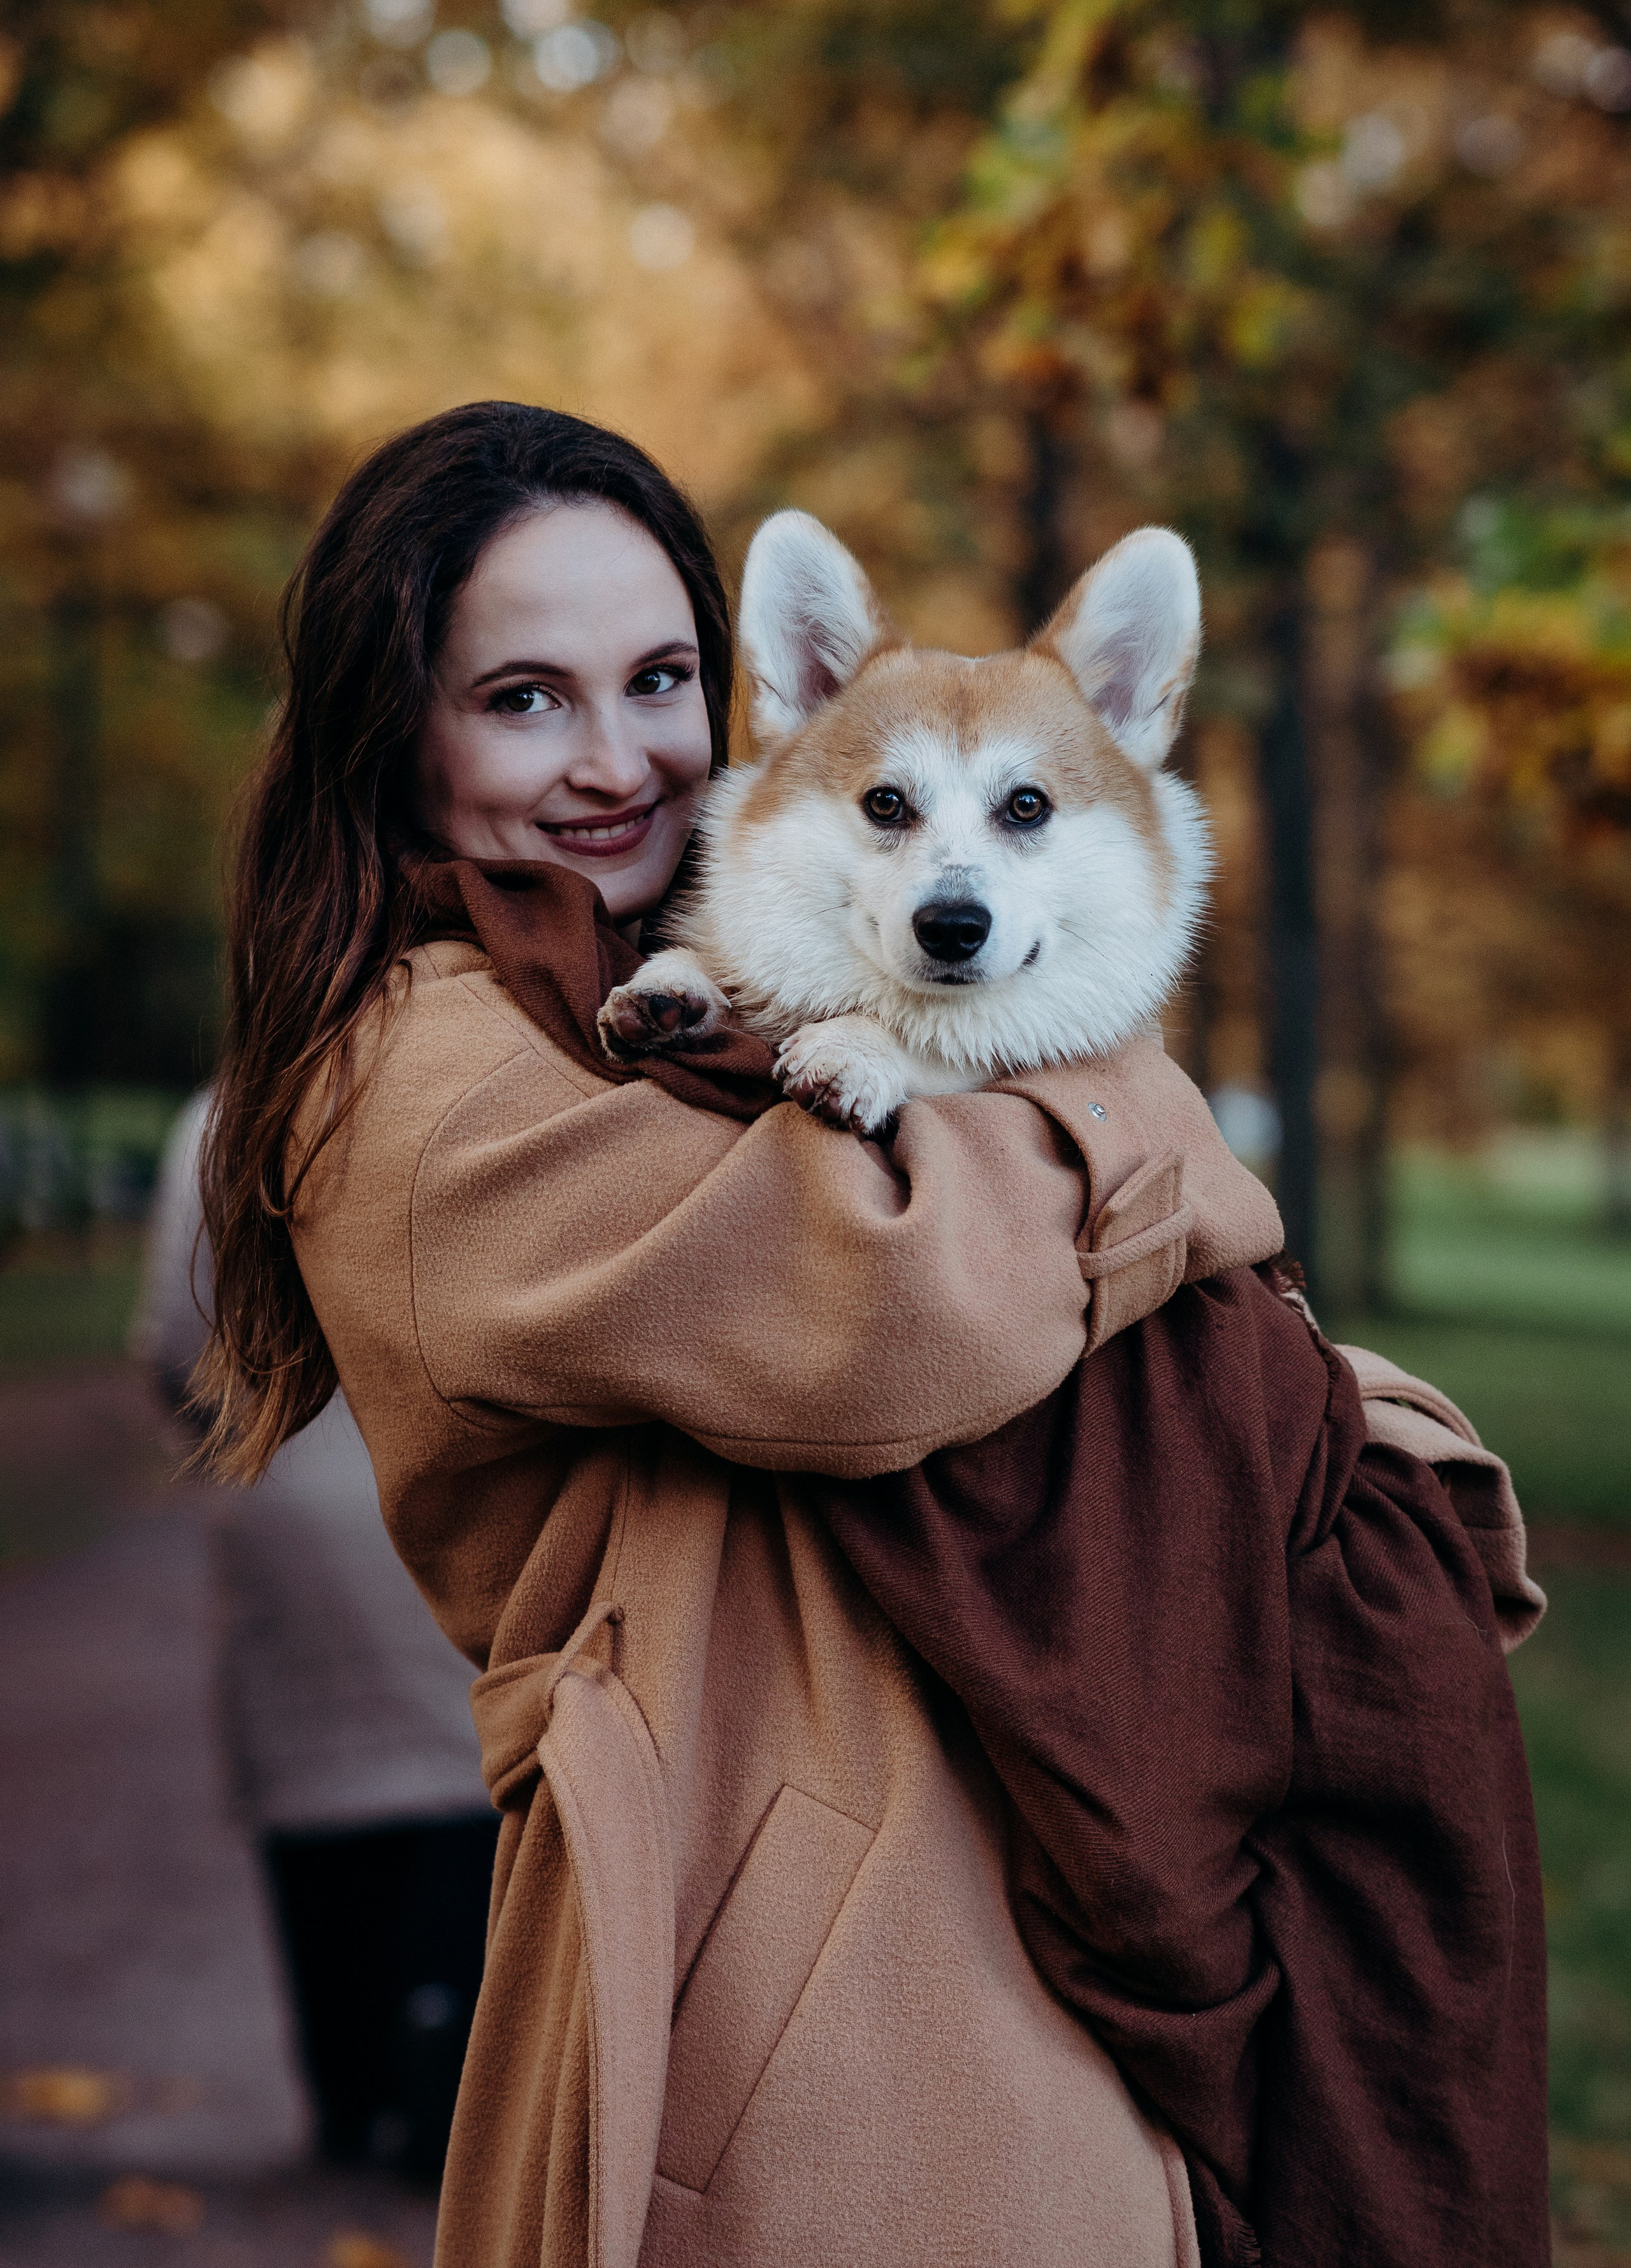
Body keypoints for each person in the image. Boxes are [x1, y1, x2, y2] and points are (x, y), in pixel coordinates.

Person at [197, 401, 1549, 2268]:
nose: (616, 760)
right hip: (795, 1998)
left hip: (1001, 1881)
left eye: (661, 676)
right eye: (523, 698)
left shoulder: (637, 1003)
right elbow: (905, 1322)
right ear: (393, 731)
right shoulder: (428, 1086)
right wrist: (1150, 1117)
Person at [133, 1092, 498, 2182]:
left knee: (320, 1776)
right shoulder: (496, 1073)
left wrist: (248, 1430)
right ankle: (456, 2082)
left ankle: (350, 2092)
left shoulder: (229, 1115)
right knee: (467, 1772)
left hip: (292, 1484)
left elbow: (175, 1342)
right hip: (459, 1493)